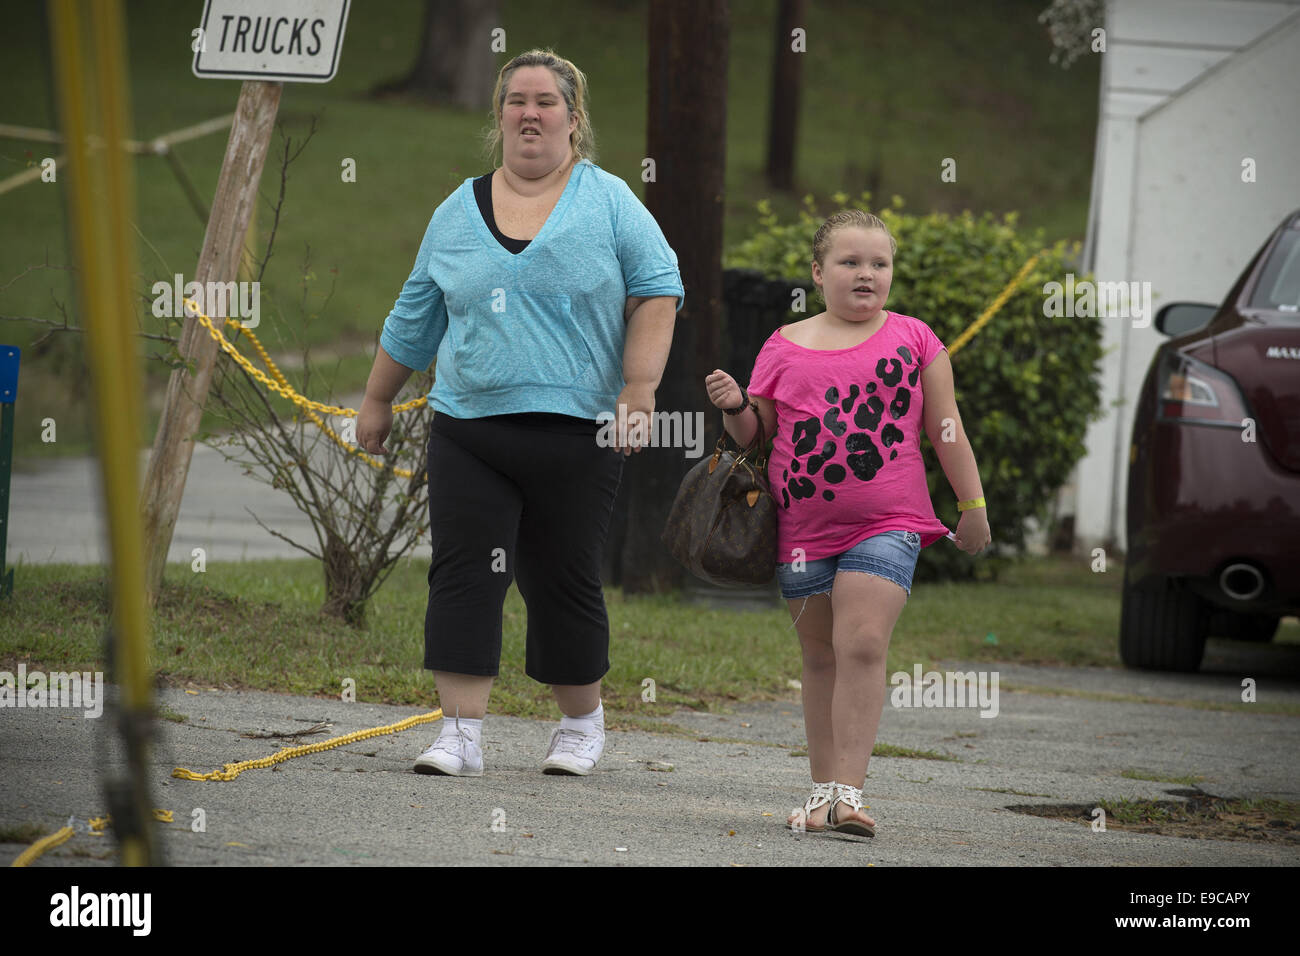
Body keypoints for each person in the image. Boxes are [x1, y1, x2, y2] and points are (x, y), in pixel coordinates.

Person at [357, 49, 684, 778]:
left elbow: (659, 289)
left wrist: (639, 389)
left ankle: (579, 726)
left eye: (546, 101)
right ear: (499, 115)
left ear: (574, 119)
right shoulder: (456, 208)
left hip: (579, 432)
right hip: (470, 430)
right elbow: (416, 312)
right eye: (517, 101)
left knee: (559, 575)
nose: (530, 113)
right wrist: (378, 398)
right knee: (465, 571)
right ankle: (460, 734)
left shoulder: (608, 200)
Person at [705, 209, 990, 837]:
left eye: (879, 264)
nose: (866, 274)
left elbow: (947, 429)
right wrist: (734, 409)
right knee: (819, 658)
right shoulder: (782, 345)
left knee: (861, 642)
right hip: (801, 531)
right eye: (850, 262)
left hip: (889, 521)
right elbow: (757, 437)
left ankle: (848, 792)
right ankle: (821, 794)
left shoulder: (917, 339)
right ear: (817, 271)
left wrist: (972, 506)